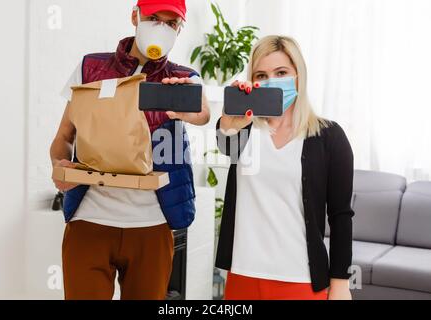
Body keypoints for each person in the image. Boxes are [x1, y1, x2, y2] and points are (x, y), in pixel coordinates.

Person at [50, 0, 210, 300]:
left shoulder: (183, 78)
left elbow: (202, 114)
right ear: (135, 16)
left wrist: (191, 110)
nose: (161, 28)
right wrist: (60, 165)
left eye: (171, 23)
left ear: (179, 29)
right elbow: (64, 136)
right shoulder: (90, 68)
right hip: (90, 220)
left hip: (152, 225)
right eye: (153, 18)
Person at [215, 35, 354, 300]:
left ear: (298, 76)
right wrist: (228, 123)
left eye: (281, 72)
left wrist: (340, 284)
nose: (271, 81)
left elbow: (341, 216)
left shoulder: (330, 137)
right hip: (243, 276)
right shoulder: (244, 129)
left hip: (299, 280)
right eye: (261, 75)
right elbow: (223, 144)